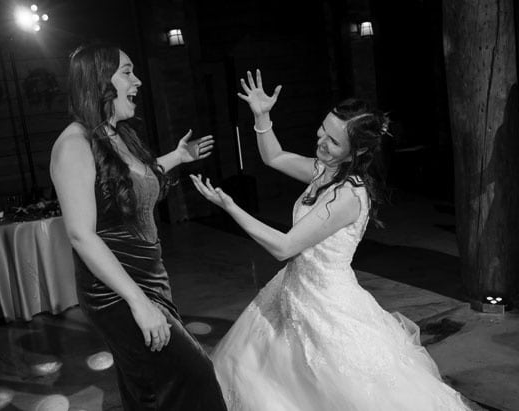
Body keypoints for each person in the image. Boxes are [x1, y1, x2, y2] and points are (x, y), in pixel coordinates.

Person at [191, 70, 470, 410]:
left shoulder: (347, 196)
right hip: (292, 292)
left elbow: (284, 246)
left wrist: (230, 207)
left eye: (333, 142)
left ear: (356, 152)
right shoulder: (327, 171)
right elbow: (274, 157)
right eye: (322, 131)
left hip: (327, 306)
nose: (321, 142)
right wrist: (262, 116)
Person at [48, 43, 225, 410]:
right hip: (116, 291)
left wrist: (177, 156)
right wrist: (138, 302)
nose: (138, 81)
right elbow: (81, 234)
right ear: (100, 80)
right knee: (196, 377)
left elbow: (130, 185)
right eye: (127, 72)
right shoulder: (74, 144)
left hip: (150, 279)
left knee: (148, 389)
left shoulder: (118, 135)